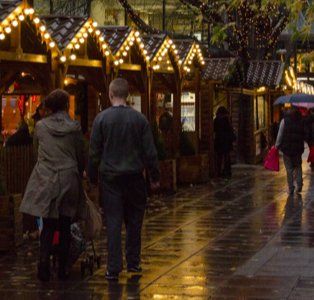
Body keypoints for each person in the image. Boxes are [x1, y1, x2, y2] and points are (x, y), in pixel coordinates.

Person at [88, 78, 160, 281]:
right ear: (127, 95)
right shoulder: (140, 120)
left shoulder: (101, 120)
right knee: (135, 223)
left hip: (110, 180)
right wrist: (154, 176)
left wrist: (92, 177)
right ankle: (134, 263)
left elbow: (94, 153)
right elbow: (150, 152)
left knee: (113, 222)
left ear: (110, 94)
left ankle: (113, 267)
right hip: (135, 178)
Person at [20, 89, 85, 282]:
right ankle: (64, 268)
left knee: (48, 223)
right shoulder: (74, 127)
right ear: (66, 105)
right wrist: (79, 172)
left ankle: (43, 263)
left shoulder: (40, 127)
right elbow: (80, 155)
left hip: (46, 176)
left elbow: (35, 153)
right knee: (65, 223)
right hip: (68, 177)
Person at [275, 106, 306, 194]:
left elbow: (280, 135)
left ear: (290, 110)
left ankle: (291, 187)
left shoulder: (284, 121)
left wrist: (276, 146)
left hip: (287, 149)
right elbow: (304, 134)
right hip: (297, 149)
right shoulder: (301, 120)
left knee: (289, 169)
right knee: (298, 167)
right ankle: (299, 186)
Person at [214, 106, 235, 178]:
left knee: (219, 157)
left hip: (219, 141)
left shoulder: (216, 120)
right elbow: (230, 130)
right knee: (227, 157)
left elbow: (214, 130)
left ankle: (218, 172)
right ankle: (227, 172)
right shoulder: (227, 120)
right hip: (227, 142)